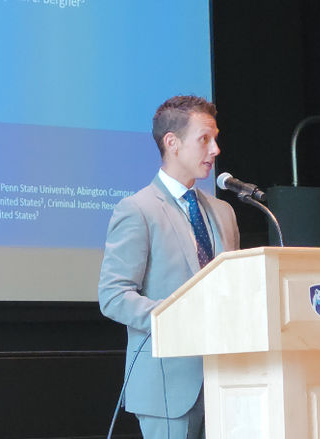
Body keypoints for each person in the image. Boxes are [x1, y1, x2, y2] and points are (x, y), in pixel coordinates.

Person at [98, 95, 240, 439]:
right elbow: (113, 296)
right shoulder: (138, 210)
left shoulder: (223, 211)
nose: (216, 149)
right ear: (172, 143)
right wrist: (176, 316)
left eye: (216, 137)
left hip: (230, 381)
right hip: (168, 385)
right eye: (204, 139)